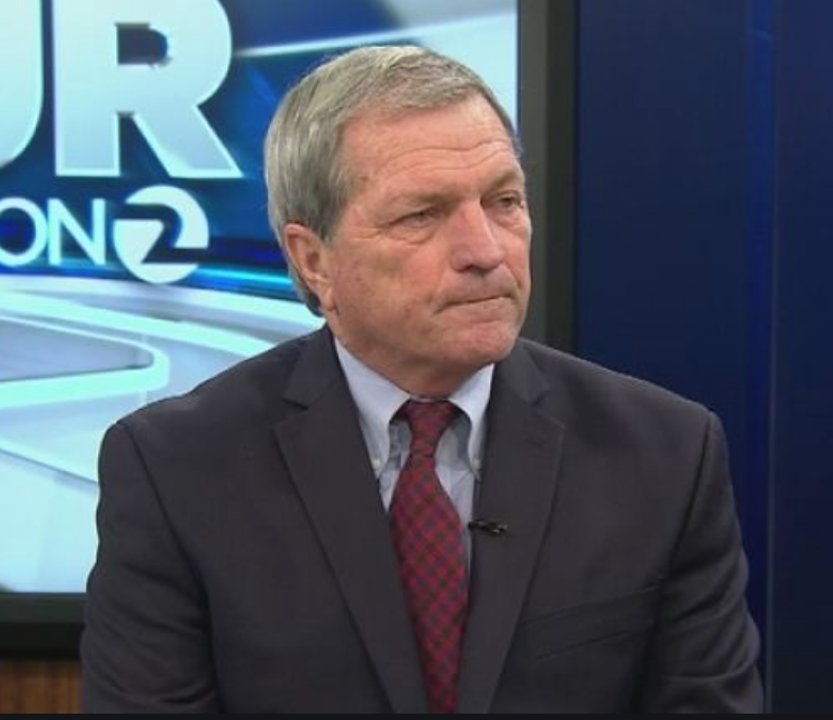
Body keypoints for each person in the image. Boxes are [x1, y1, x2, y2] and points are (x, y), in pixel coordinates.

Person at [81, 45, 763, 713]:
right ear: (313, 259)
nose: (485, 251)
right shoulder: (177, 470)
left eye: (503, 201)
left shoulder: (666, 456)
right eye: (422, 215)